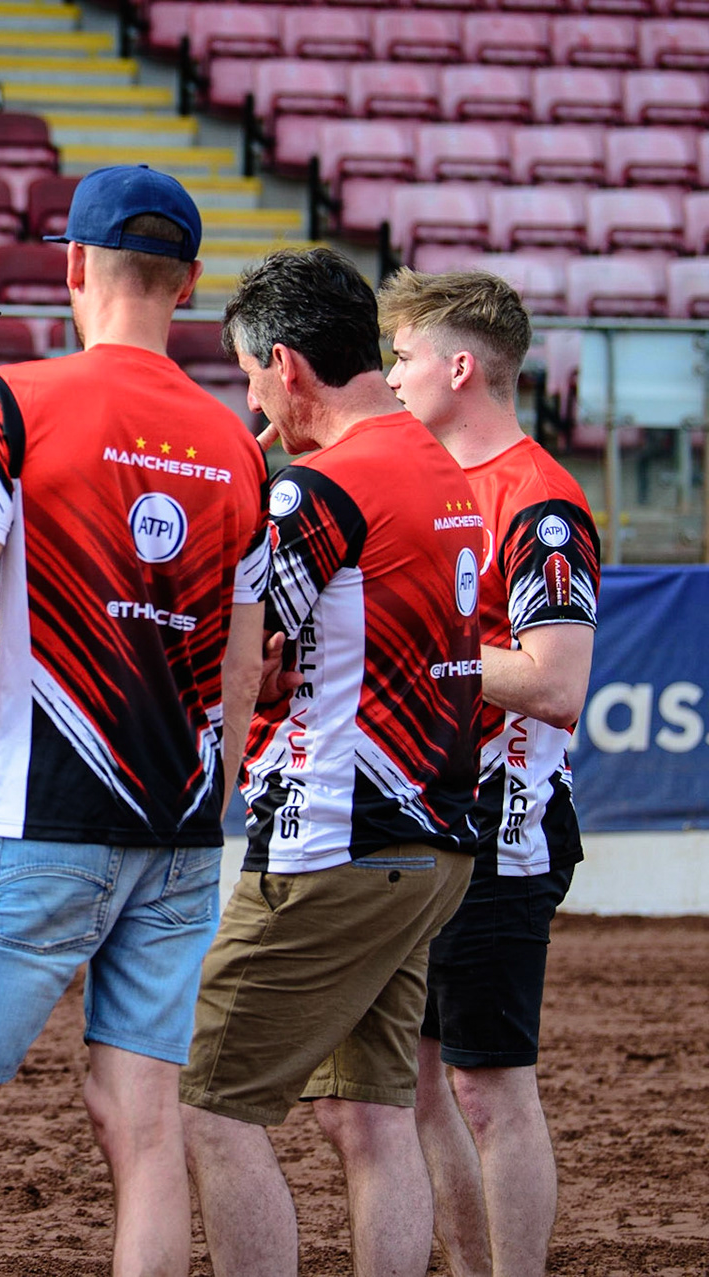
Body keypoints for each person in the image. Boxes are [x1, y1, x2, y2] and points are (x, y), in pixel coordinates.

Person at [0, 166, 270, 1277]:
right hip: (180, 826)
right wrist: (212, 790)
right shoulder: (237, 442)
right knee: (141, 1122)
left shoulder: (12, 402)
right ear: (187, 284)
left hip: (37, 817)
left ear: (75, 267)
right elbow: (248, 658)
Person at [180, 247, 485, 1277]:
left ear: (286, 365)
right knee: (370, 1114)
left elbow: (251, 665)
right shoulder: (440, 465)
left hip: (333, 843)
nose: (253, 396)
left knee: (204, 1099)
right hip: (430, 843)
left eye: (250, 375)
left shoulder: (318, 490)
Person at [379, 268, 599, 1277]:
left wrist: (423, 646)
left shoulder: (540, 501)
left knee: (489, 1085)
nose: (389, 374)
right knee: (420, 1082)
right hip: (425, 820)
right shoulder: (421, 476)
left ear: (461, 366)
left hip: (504, 831)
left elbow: (557, 683)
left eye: (406, 355)